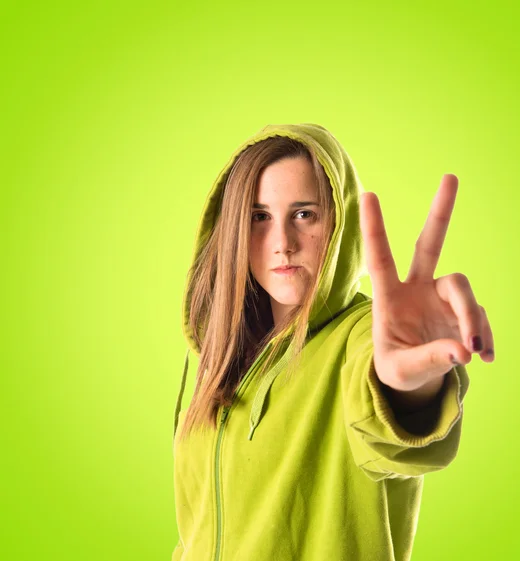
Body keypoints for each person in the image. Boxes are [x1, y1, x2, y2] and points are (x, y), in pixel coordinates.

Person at [171, 123, 494, 561]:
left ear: (340, 222)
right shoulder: (221, 357)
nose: (282, 243)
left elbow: (388, 427)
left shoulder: (361, 336)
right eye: (259, 217)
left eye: (305, 214)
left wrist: (408, 389)